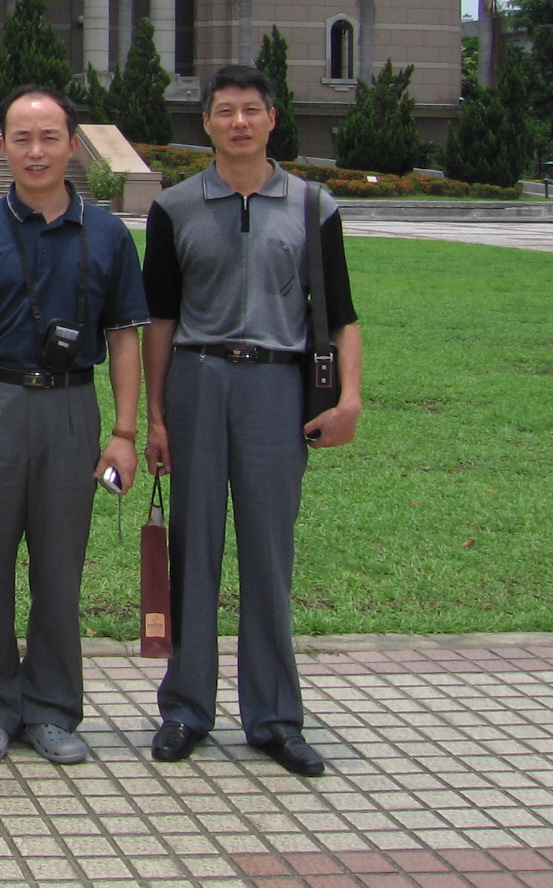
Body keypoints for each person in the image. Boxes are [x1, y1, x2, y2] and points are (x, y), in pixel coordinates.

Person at [142, 65, 362, 778]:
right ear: (204, 123)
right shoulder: (173, 207)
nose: (238, 123)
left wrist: (348, 397)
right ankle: (186, 709)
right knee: (193, 550)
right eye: (224, 111)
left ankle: (274, 717)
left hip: (276, 385)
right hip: (198, 382)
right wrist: (155, 415)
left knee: (269, 555)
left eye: (251, 110)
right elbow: (161, 320)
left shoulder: (311, 206)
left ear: (273, 118)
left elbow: (343, 315)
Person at [0, 85, 149, 765]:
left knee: (60, 566)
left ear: (73, 145)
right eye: (21, 138)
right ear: (2, 147)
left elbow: (124, 339)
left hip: (72, 409)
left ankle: (53, 707)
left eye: (49, 136)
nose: (36, 150)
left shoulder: (108, 233)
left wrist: (124, 431)